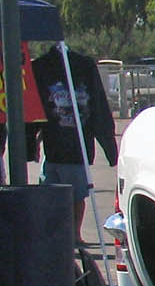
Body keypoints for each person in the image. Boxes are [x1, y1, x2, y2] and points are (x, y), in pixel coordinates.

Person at [29, 43, 117, 232]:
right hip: (53, 150)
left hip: (76, 151)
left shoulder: (84, 67)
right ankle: (57, 232)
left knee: (76, 195)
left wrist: (110, 149)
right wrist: (31, 142)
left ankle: (74, 232)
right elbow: (33, 110)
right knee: (52, 194)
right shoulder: (41, 68)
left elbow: (99, 110)